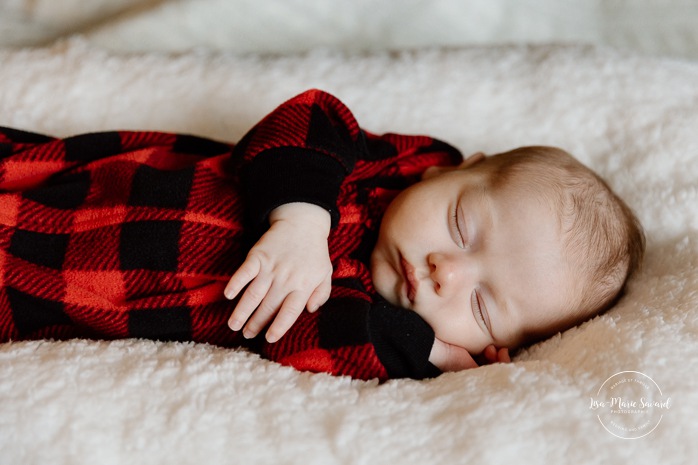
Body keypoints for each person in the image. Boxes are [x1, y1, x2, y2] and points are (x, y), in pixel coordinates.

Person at [0, 89, 644, 381]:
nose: (448, 271)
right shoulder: (378, 168)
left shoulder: (366, 323)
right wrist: (302, 218)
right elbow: (310, 114)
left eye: (481, 306)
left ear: (496, 349)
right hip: (86, 180)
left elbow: (314, 346)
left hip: (57, 288)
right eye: (462, 226)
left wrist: (426, 355)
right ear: (456, 168)